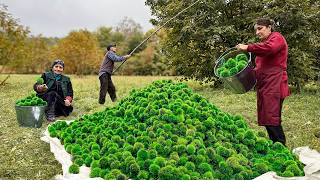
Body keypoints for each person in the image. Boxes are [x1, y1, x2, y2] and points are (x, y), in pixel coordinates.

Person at [236, 18, 290, 145]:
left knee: (272, 118)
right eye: (256, 30)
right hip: (265, 85)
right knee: (267, 118)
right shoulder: (264, 44)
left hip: (275, 84)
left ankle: (281, 146)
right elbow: (260, 67)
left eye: (260, 28)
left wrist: (248, 47)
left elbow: (269, 48)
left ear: (269, 27)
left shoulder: (277, 38)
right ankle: (274, 144)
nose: (257, 32)